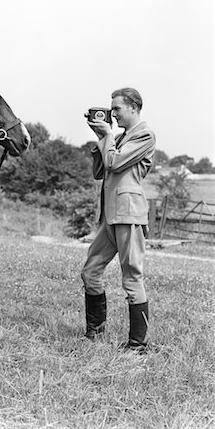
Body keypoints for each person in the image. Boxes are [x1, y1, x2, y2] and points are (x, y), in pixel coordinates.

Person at [81, 88, 156, 353]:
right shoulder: (120, 137)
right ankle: (95, 332)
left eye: (117, 109)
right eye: (111, 109)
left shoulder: (145, 135)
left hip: (129, 214)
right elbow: (99, 171)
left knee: (132, 277)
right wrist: (101, 136)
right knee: (90, 271)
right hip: (110, 216)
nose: (113, 114)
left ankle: (138, 344)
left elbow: (114, 162)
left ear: (134, 107)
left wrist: (108, 136)